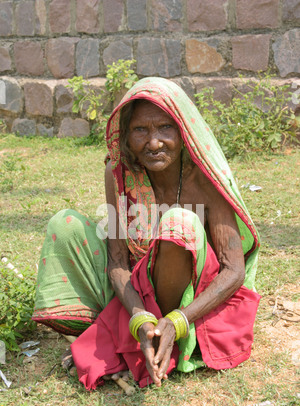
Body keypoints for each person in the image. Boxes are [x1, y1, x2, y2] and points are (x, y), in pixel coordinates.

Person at [32, 77, 261, 389]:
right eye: (141, 130)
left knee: (179, 222)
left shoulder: (203, 178)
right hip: (139, 287)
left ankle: (155, 335)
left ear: (183, 130)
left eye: (165, 128)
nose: (154, 143)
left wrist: (179, 320)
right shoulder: (119, 172)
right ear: (126, 137)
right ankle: (137, 330)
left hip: (192, 293)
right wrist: (140, 317)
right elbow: (117, 260)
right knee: (66, 225)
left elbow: (233, 270)